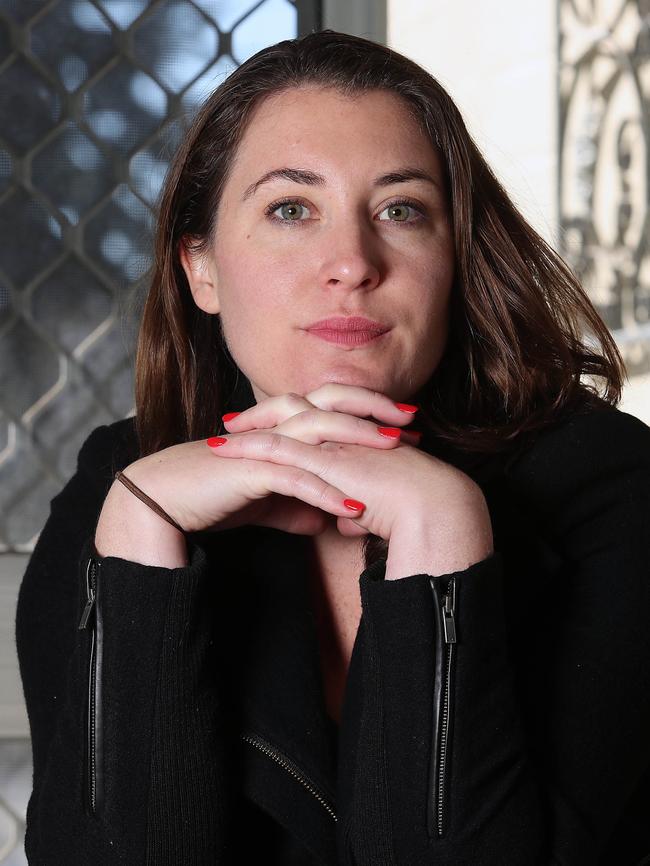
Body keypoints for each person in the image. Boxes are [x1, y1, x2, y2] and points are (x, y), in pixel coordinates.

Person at [15, 28, 650, 866]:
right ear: (200, 267)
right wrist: (141, 548)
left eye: (401, 209)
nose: (352, 262)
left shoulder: (613, 491)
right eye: (290, 208)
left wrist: (441, 531)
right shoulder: (123, 489)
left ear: (453, 259)